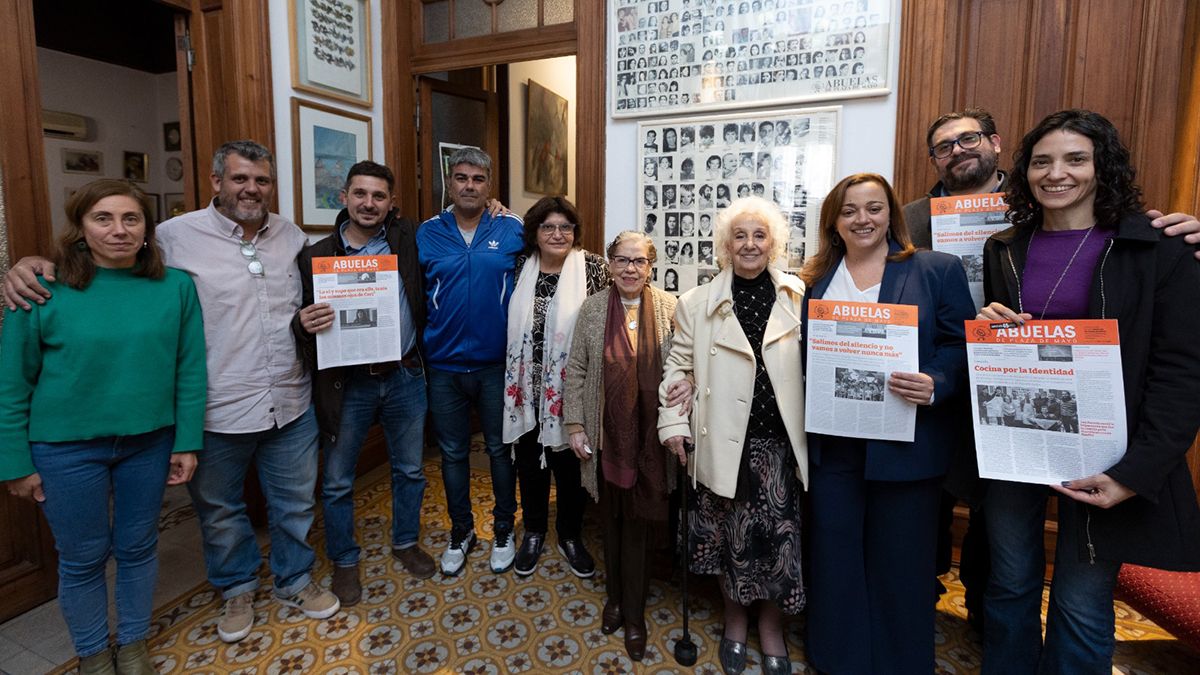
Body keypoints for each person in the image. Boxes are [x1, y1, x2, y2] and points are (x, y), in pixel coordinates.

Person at [3, 141, 341, 643]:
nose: (251, 189)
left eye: (262, 180)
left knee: (293, 504)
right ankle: (238, 586)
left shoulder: (291, 237)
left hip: (289, 401)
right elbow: (102, 261)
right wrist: (29, 263)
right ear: (216, 181)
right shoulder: (172, 237)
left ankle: (294, 579)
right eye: (239, 179)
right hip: (216, 406)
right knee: (221, 511)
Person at [901, 108, 1200, 628]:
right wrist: (992, 325)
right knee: (1009, 578)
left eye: (1075, 160)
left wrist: (1138, 470)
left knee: (1081, 603)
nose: (1056, 173)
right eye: (1043, 162)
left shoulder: (1151, 244)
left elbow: (1180, 370)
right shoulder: (993, 243)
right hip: (1006, 433)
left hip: (1105, 447)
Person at [0, 180, 205, 674]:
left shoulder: (176, 286)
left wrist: (187, 442)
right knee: (83, 558)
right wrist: (14, 463)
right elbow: (11, 383)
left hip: (149, 443)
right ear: (81, 227)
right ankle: (93, 654)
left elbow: (190, 369)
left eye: (130, 219)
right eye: (103, 218)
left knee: (137, 548)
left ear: (146, 229)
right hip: (65, 450)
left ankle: (132, 644)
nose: (118, 230)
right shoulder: (41, 290)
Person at [801, 173, 975, 673]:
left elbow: (961, 345)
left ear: (891, 214)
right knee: (834, 558)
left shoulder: (934, 269)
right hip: (834, 446)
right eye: (850, 210)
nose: (863, 219)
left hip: (905, 446)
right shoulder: (813, 279)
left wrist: (936, 382)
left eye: (874, 208)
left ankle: (899, 662)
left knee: (901, 563)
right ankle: (838, 658)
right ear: (834, 220)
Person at [659, 196, 808, 675]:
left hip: (781, 448)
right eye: (739, 236)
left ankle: (771, 627)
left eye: (759, 235)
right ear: (725, 246)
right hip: (723, 443)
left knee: (778, 546)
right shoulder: (695, 303)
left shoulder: (798, 295)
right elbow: (677, 369)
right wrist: (673, 424)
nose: (749, 244)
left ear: (774, 244)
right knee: (729, 542)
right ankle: (735, 622)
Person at [292, 161, 436, 607]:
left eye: (378, 196)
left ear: (391, 202)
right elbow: (300, 321)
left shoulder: (408, 241)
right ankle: (344, 558)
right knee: (336, 480)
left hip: (405, 376)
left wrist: (494, 207)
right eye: (360, 194)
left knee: (410, 469)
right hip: (347, 384)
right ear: (344, 197)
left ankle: (405, 541)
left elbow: (459, 218)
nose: (368, 203)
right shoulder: (314, 256)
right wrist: (302, 324)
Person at [563, 231, 678, 662]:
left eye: (639, 261)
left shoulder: (670, 308)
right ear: (609, 264)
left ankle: (635, 613)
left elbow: (683, 368)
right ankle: (614, 599)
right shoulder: (592, 310)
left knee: (640, 525)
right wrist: (575, 424)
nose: (630, 269)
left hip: (650, 439)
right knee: (610, 520)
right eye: (621, 260)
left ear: (651, 267)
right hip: (604, 437)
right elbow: (575, 369)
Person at [417, 147, 525, 576]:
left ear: (489, 185)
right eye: (461, 178)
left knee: (500, 451)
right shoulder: (427, 232)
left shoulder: (510, 227)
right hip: (443, 365)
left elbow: (548, 255)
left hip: (495, 364)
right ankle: (461, 531)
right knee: (452, 453)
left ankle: (502, 529)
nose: (469, 186)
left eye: (478, 179)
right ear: (450, 182)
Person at [502, 197, 610, 578]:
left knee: (569, 466)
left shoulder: (594, 267)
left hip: (573, 390)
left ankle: (569, 535)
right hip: (526, 390)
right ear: (535, 232)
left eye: (566, 227)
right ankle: (533, 531)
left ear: (575, 232)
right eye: (548, 226)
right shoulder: (519, 266)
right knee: (529, 464)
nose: (558, 234)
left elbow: (611, 315)